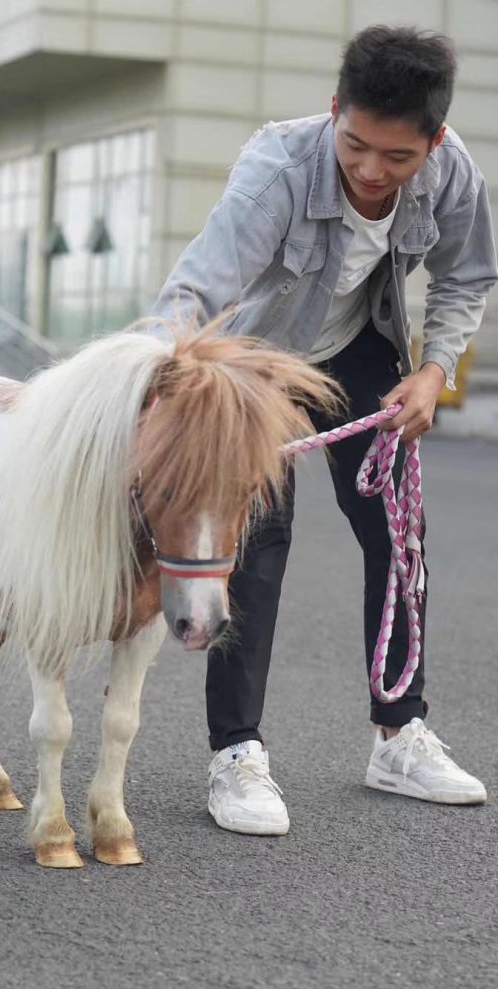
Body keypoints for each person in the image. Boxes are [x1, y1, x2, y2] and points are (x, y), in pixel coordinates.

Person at [151, 25, 497, 835]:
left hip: (355, 346)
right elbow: (195, 288)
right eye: (357, 146)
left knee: (399, 531)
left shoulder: (451, 175)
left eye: (398, 157)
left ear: (434, 141)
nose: (373, 171)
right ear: (334, 110)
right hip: (256, 363)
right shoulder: (276, 169)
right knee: (259, 547)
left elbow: (467, 276)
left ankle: (399, 733)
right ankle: (236, 754)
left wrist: (434, 370)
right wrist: (154, 378)